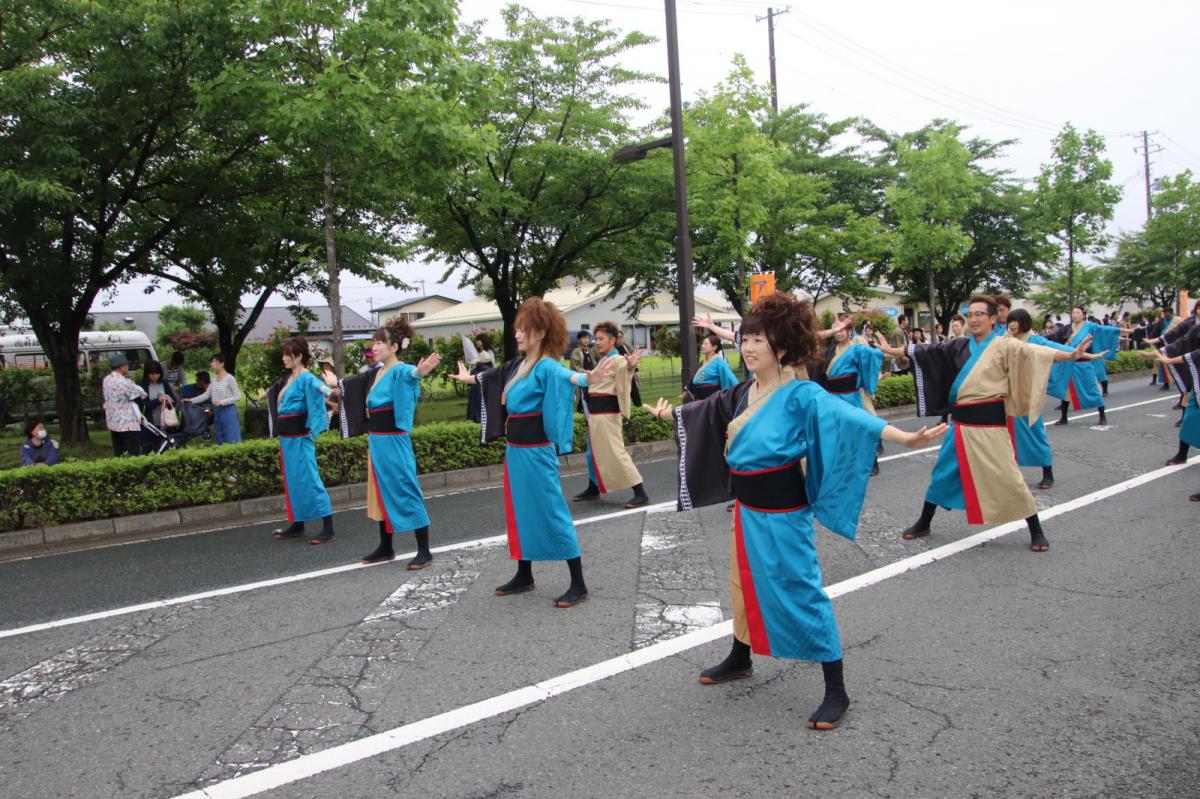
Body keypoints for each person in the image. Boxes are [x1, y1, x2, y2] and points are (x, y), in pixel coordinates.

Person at [647, 292, 944, 730]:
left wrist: (900, 436)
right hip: (746, 510)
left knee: (803, 591)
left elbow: (846, 417)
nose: (747, 348)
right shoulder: (745, 391)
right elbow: (703, 412)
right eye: (745, 339)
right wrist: (670, 415)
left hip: (783, 511)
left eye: (757, 341)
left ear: (782, 347)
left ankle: (836, 688)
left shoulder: (801, 392)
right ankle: (740, 655)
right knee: (742, 585)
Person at [875, 295, 1093, 552]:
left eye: (980, 314)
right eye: (970, 314)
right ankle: (924, 522)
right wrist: (892, 350)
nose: (973, 319)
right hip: (960, 426)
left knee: (1009, 477)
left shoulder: (1005, 345)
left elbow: (1035, 351)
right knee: (942, 474)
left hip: (990, 426)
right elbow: (927, 351)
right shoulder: (959, 346)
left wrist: (1070, 355)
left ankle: (1036, 529)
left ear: (992, 319)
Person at [450, 297, 615, 607]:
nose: (518, 334)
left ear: (540, 332)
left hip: (537, 451)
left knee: (552, 511)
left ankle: (578, 583)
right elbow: (493, 378)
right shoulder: (518, 364)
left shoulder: (546, 365)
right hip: (515, 450)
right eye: (517, 329)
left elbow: (568, 377)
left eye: (523, 329)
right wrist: (468, 378)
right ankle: (524, 573)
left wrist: (586, 378)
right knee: (519, 510)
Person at [359, 319, 442, 567]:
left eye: (379, 342)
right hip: (377, 441)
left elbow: (410, 375)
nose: (374, 346)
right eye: (373, 342)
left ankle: (424, 549)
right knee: (381, 490)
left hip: (393, 439)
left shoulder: (399, 369)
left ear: (394, 347)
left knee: (406, 487)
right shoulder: (377, 372)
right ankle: (386, 546)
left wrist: (420, 371)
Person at [1006, 309, 1107, 489]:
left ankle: (1047, 472)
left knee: (1035, 434)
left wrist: (1083, 354)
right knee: (1006, 437)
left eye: (1016, 321)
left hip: (1028, 395)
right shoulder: (1006, 341)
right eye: (1010, 321)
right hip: (1007, 396)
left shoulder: (1035, 340)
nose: (1012, 324)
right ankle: (1010, 475)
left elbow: (1058, 350)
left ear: (1024, 322)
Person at [266, 337, 340, 545]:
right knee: (293, 481)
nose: (284, 358)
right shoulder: (289, 378)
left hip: (300, 437)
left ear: (298, 356)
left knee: (311, 479)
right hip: (287, 438)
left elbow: (320, 387)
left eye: (287, 355)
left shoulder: (306, 377)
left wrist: (331, 390)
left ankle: (328, 528)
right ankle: (298, 523)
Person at [572, 321, 649, 509]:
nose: (596, 342)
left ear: (612, 340)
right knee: (592, 454)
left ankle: (640, 492)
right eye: (595, 338)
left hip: (607, 414)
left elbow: (625, 369)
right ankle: (594, 486)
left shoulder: (618, 360)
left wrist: (630, 365)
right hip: (597, 414)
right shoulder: (604, 359)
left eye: (600, 339)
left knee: (616, 452)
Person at [819, 314, 885, 475]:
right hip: (833, 397)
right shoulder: (830, 351)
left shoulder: (857, 348)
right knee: (835, 432)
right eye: (836, 330)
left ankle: (872, 461)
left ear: (849, 331)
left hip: (851, 396)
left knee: (860, 429)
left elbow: (873, 357)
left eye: (842, 330)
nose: (839, 333)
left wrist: (879, 350)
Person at [1046, 306, 1122, 422]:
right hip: (1069, 363)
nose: (1075, 315)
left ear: (1083, 314)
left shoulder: (1090, 327)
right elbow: (1053, 337)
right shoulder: (1067, 328)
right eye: (1073, 312)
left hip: (1084, 362)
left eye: (1077, 312)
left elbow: (1104, 330)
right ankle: (1064, 417)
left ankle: (1102, 416)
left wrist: (1120, 331)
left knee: (1092, 388)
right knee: (1066, 389)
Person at [185, 354, 241, 444]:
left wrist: (222, 402)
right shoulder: (214, 380)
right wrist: (191, 400)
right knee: (220, 439)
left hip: (228, 411)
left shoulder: (230, 378)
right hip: (217, 411)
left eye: (215, 362)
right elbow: (206, 395)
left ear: (222, 364)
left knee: (231, 438)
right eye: (212, 363)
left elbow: (238, 396)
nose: (212, 365)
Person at [102, 354, 147, 456]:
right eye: (127, 365)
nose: (128, 367)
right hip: (128, 424)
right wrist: (141, 411)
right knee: (132, 453)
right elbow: (137, 399)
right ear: (121, 367)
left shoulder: (106, 380)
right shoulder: (124, 382)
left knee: (119, 452)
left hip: (114, 422)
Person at [137, 359, 179, 454]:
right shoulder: (143, 386)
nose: (155, 376)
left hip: (165, 422)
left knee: (164, 447)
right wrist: (158, 401)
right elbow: (142, 406)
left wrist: (169, 401)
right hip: (150, 424)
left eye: (157, 373)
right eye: (152, 374)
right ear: (147, 374)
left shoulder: (164, 383)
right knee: (149, 449)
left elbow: (174, 400)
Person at [686, 333, 739, 402]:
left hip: (712, 404)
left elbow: (731, 379)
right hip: (698, 403)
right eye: (702, 344)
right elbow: (693, 380)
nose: (702, 346)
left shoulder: (720, 363)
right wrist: (685, 392)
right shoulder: (702, 363)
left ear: (714, 347)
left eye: (705, 344)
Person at [466, 333, 496, 423]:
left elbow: (492, 366)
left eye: (478, 340)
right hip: (476, 378)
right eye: (476, 341)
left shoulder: (489, 352)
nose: (477, 342)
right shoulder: (477, 353)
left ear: (483, 341)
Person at [614, 329, 642, 407]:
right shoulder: (612, 349)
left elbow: (634, 358)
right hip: (618, 375)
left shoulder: (626, 346)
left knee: (635, 392)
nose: (620, 339)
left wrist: (636, 371)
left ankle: (639, 409)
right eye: (618, 337)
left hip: (629, 373)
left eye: (621, 337)